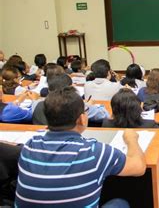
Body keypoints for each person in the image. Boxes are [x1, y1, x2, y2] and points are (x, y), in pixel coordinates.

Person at [15, 87, 146, 207]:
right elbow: (139, 167)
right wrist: (131, 139)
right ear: (82, 119)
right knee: (120, 203)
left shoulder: (29, 146)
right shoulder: (95, 152)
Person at [32, 74, 109, 126]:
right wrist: (89, 105)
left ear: (48, 90)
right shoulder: (78, 105)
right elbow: (105, 115)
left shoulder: (37, 104)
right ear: (71, 88)